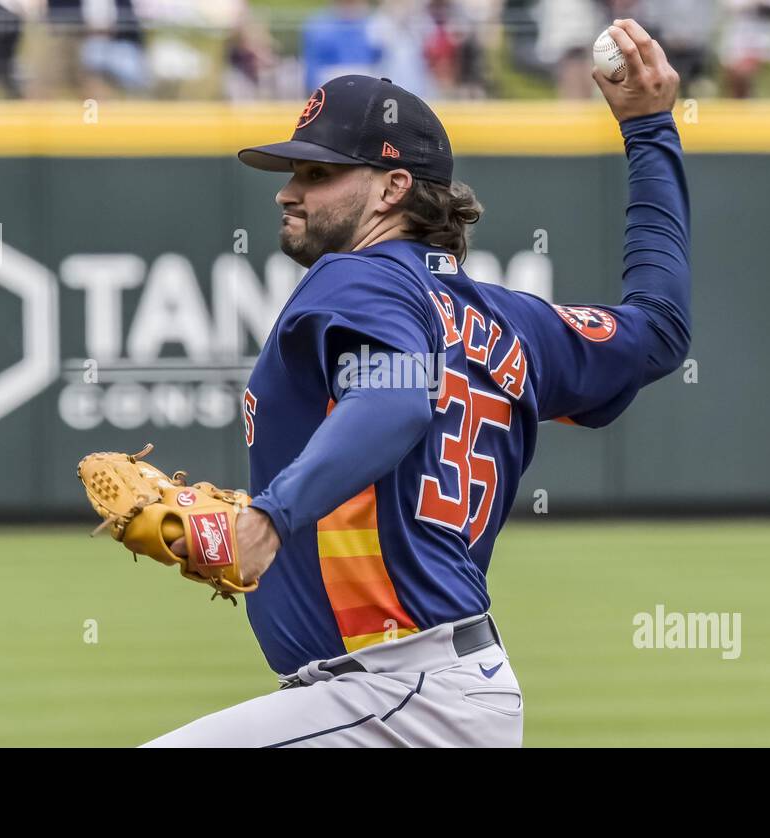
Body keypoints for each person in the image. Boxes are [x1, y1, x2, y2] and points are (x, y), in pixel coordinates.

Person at [142, 19, 689, 748]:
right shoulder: (514, 324)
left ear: (393, 187)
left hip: (401, 691)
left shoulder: (356, 277)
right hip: (429, 693)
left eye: (317, 174)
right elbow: (658, 328)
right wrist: (651, 131)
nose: (288, 194)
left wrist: (269, 518)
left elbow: (396, 397)